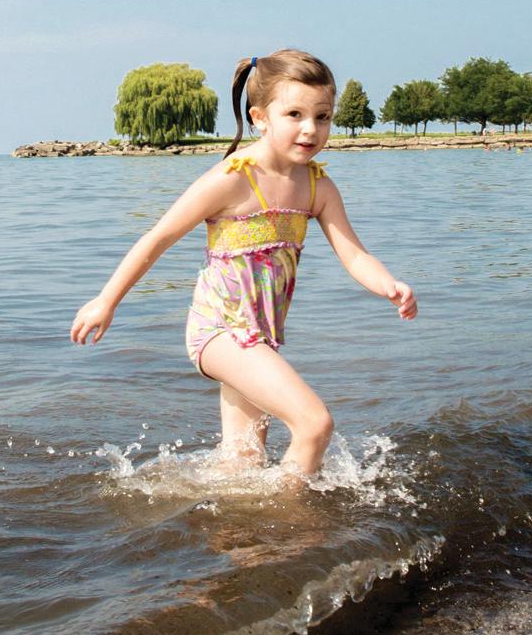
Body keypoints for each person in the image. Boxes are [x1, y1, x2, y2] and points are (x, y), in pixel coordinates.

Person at [71, 49, 417, 478]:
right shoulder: (233, 178)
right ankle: (292, 515)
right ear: (260, 117)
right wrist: (105, 301)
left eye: (323, 116)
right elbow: (157, 238)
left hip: (261, 335)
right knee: (314, 424)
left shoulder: (318, 187)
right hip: (219, 330)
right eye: (295, 114)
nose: (311, 129)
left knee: (243, 462)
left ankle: (231, 518)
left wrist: (388, 284)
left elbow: (355, 253)